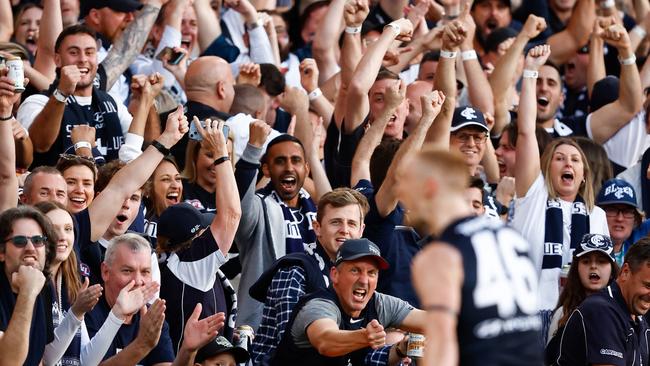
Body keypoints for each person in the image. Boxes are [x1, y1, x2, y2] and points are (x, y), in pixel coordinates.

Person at [403, 149, 543, 366]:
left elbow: (442, 343)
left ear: (429, 187)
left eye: (406, 184)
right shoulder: (509, 235)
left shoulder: (439, 255)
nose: (400, 193)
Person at [511, 45, 608, 327]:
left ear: (584, 175)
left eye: (575, 160)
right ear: (545, 168)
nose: (568, 163)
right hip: (529, 315)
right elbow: (526, 130)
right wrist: (530, 71)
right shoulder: (533, 196)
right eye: (559, 158)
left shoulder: (597, 216)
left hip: (577, 316)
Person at [249, 188, 369, 365]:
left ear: (361, 230)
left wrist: (397, 349)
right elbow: (291, 344)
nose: (344, 230)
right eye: (336, 222)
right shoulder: (295, 269)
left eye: (351, 224)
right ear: (317, 227)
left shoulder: (363, 276)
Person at [271, 238, 427, 365]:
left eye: (372, 273)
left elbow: (435, 321)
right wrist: (365, 336)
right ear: (335, 275)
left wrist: (400, 349)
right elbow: (326, 341)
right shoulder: (319, 305)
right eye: (355, 270)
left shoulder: (379, 303)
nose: (364, 280)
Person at [157, 117, 240, 352]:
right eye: (203, 229)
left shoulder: (183, 263)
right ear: (191, 241)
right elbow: (232, 215)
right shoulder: (189, 264)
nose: (208, 232)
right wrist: (222, 153)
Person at [85, 233, 224, 365]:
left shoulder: (153, 317)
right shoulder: (87, 310)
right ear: (106, 272)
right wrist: (142, 345)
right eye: (127, 271)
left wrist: (188, 351)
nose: (138, 281)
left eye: (145, 272)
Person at [233, 121, 318, 330]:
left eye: (296, 160)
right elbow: (238, 207)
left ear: (306, 169)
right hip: (265, 325)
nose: (289, 167)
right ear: (267, 169)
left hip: (312, 323)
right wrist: (253, 147)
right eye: (280, 161)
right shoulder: (259, 207)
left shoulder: (319, 214)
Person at [553, 237, 650, 365]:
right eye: (648, 285)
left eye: (601, 261)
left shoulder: (639, 319)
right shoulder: (601, 310)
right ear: (625, 272)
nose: (594, 267)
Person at [545, 233, 618, 365]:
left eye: (601, 261)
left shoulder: (624, 314)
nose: (593, 266)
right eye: (586, 261)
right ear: (576, 268)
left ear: (612, 270)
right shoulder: (563, 313)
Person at [0, 206, 55, 365]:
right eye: (19, 241)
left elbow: (38, 360)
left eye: (38, 241)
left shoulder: (42, 286)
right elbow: (9, 362)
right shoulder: (32, 288)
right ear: (2, 252)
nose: (30, 248)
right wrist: (27, 292)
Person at [596, 179, 650, 266]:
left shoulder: (640, 235)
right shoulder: (585, 243)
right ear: (598, 214)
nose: (620, 218)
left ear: (635, 218)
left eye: (627, 211)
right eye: (612, 210)